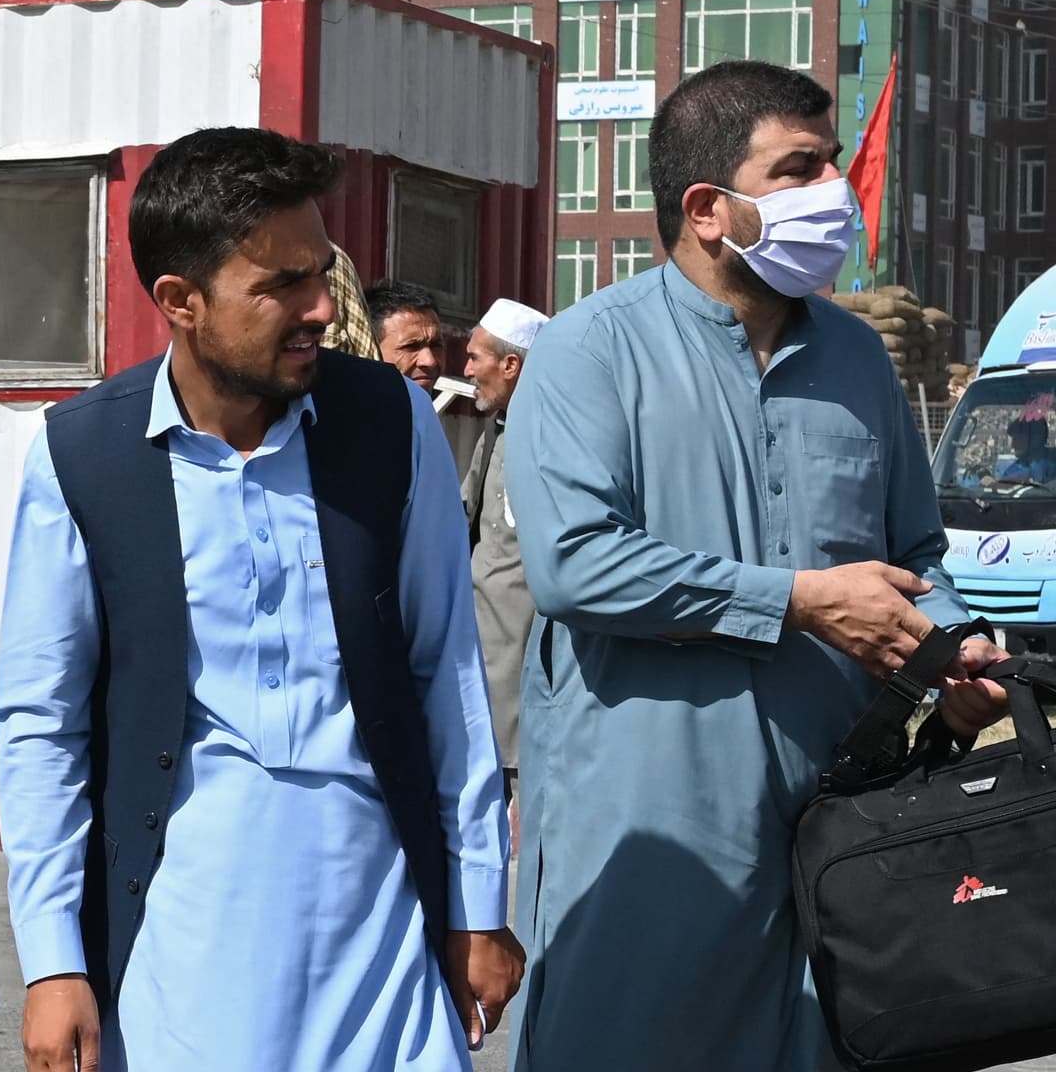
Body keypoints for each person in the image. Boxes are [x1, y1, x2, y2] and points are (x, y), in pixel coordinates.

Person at [502, 62, 1009, 1071]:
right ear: (707, 207)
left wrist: (955, 654)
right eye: (801, 169)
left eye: (834, 163)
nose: (836, 193)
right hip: (649, 826)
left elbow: (912, 557)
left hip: (846, 815)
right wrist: (802, 603)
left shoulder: (859, 360)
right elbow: (574, 564)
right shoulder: (589, 354)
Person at [0, 126, 519, 1072]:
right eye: (281, 285)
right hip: (184, 931)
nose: (321, 308)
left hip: (379, 915)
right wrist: (52, 962)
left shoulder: (388, 423)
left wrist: (478, 902)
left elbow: (447, 670)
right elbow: (41, 723)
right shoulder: (85, 455)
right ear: (180, 302)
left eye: (321, 273)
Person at [458, 297, 549, 854]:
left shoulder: (544, 437)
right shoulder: (495, 429)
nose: (465, 370)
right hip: (480, 656)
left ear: (510, 366)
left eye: (475, 358)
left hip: (522, 667)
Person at [366, 278, 487, 475]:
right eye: (411, 347)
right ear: (370, 348)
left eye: (436, 345)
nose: (429, 361)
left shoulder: (425, 425)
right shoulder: (345, 429)